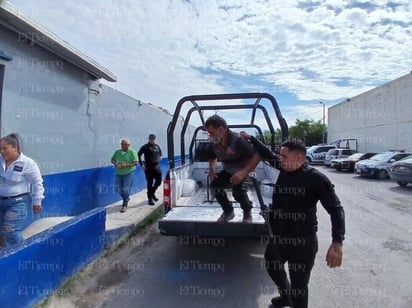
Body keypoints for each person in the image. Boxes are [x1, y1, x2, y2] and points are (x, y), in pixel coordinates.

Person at [262, 139, 345, 308]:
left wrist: (337, 242)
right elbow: (267, 155)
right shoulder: (285, 169)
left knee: (299, 287)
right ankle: (286, 296)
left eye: (284, 156)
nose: (280, 159)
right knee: (272, 265)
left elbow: (336, 209)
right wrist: (251, 139)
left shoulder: (316, 178)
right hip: (279, 236)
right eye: (280, 156)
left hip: (302, 242)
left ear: (299, 158)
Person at [204, 115, 260, 223]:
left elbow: (256, 157)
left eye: (211, 132)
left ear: (221, 129)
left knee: (238, 192)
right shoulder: (214, 142)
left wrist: (243, 173)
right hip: (229, 170)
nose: (209, 136)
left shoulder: (238, 140)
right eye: (208, 133)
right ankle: (228, 211)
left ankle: (247, 212)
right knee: (215, 186)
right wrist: (211, 171)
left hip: (246, 171)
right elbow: (212, 157)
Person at [0, 133, 44, 247]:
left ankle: (23, 250)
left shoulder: (28, 163)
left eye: (5, 148)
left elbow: (36, 183)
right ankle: (4, 253)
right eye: (0, 149)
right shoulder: (0, 161)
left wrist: (37, 201)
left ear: (15, 147)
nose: (2, 151)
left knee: (9, 230)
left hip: (18, 203)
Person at [111, 138, 138, 213]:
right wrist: (116, 163)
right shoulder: (117, 152)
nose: (123, 146)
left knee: (125, 189)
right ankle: (126, 198)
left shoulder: (132, 152)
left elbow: (135, 163)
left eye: (125, 144)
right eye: (122, 144)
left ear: (128, 145)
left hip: (128, 173)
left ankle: (124, 204)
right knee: (117, 189)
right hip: (118, 173)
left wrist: (125, 165)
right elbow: (112, 159)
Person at [138, 134, 162, 206]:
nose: (152, 140)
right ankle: (150, 199)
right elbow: (138, 155)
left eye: (153, 139)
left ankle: (152, 193)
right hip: (148, 167)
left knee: (159, 182)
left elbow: (160, 153)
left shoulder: (157, 146)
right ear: (148, 139)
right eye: (150, 139)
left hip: (156, 166)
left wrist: (160, 157)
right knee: (150, 183)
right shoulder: (145, 147)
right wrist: (141, 164)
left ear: (155, 139)